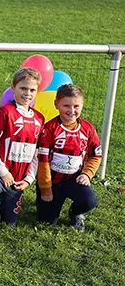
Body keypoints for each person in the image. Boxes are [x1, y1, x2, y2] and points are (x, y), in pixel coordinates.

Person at [0, 68, 44, 234]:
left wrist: (28, 180)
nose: (27, 93)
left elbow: (37, 154)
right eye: (23, 88)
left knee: (11, 221)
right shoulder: (4, 113)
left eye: (32, 90)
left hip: (19, 178)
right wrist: (3, 172)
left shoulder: (39, 119)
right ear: (13, 88)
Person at [36, 84, 102, 231]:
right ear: (56, 104)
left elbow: (95, 155)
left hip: (74, 179)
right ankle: (48, 202)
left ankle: (76, 211)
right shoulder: (49, 129)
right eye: (66, 105)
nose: (72, 111)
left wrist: (87, 174)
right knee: (46, 221)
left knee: (89, 201)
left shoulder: (88, 129)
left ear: (82, 106)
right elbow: (43, 161)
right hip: (52, 180)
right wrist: (46, 189)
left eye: (76, 106)